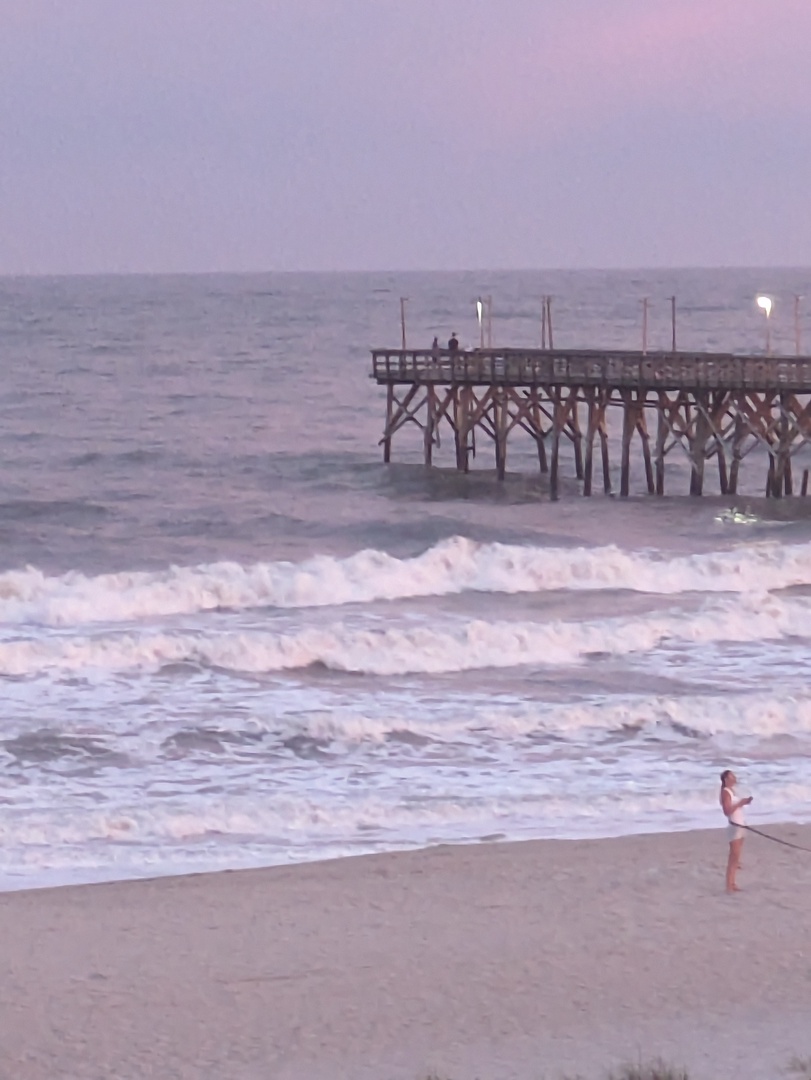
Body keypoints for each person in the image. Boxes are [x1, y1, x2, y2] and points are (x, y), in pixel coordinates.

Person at [719, 769, 753, 893]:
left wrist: (744, 802)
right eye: (732, 776)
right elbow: (727, 811)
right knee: (733, 857)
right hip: (734, 827)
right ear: (726, 780)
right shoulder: (725, 792)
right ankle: (729, 885)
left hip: (740, 825)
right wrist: (740, 803)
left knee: (736, 858)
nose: (734, 778)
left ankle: (732, 883)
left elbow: (735, 807)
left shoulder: (731, 791)